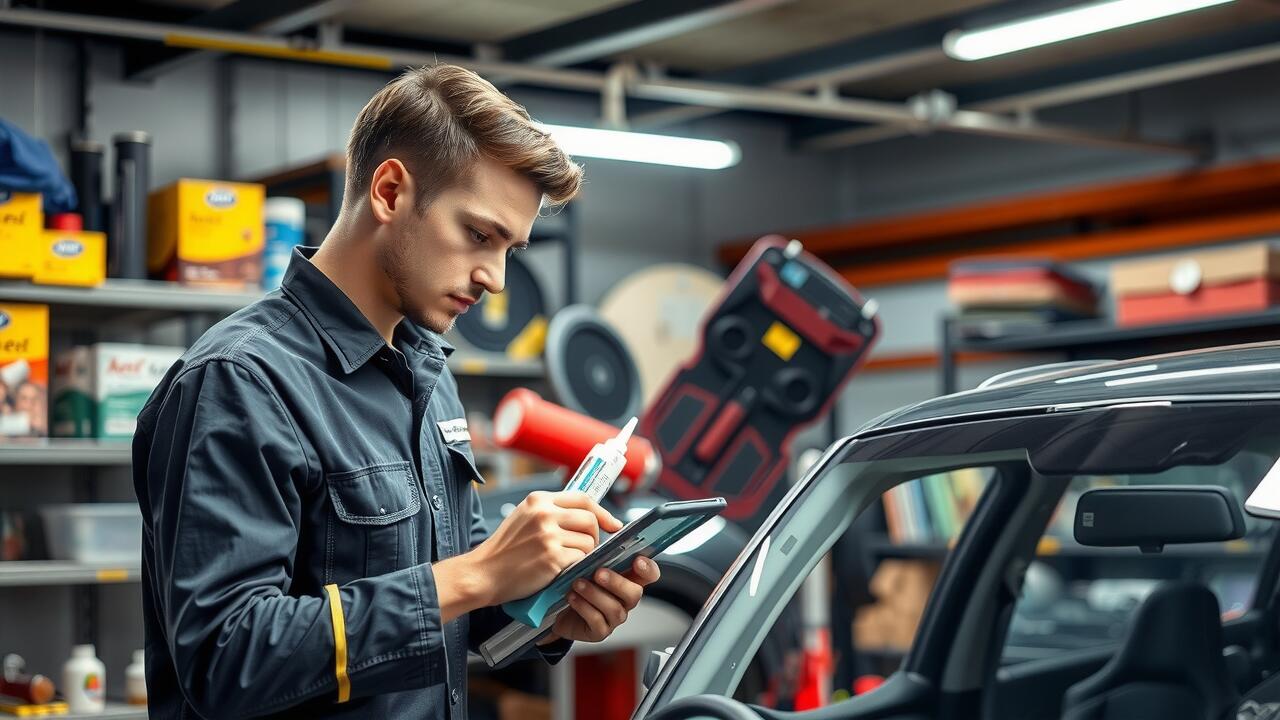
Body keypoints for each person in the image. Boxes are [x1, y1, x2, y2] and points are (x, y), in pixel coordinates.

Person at [132, 64, 660, 719]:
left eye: (510, 249)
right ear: (389, 191)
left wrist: (548, 615)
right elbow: (223, 660)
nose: (495, 278)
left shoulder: (426, 378)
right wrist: (474, 575)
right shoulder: (240, 381)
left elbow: (445, 619)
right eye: (478, 234)